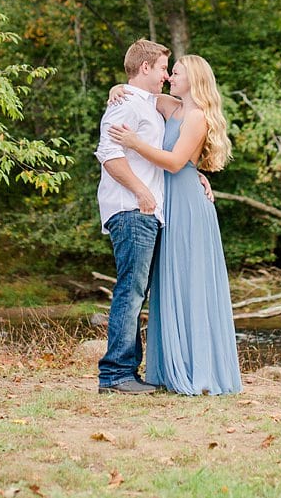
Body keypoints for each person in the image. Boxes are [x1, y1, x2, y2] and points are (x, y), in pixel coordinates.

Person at [109, 54, 242, 395]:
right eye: (169, 72)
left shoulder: (197, 116)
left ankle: (199, 370)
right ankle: (169, 367)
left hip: (187, 205)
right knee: (167, 284)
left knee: (190, 283)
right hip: (167, 205)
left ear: (193, 79)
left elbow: (173, 162)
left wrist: (135, 143)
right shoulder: (172, 107)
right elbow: (141, 94)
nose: (169, 77)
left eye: (176, 72)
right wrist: (116, 88)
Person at [94, 38, 171, 395]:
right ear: (145, 68)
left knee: (137, 291)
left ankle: (128, 372)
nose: (166, 76)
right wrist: (141, 191)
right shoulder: (126, 104)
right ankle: (116, 376)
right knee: (130, 290)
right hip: (131, 208)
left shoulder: (145, 103)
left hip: (146, 211)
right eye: (161, 68)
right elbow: (108, 153)